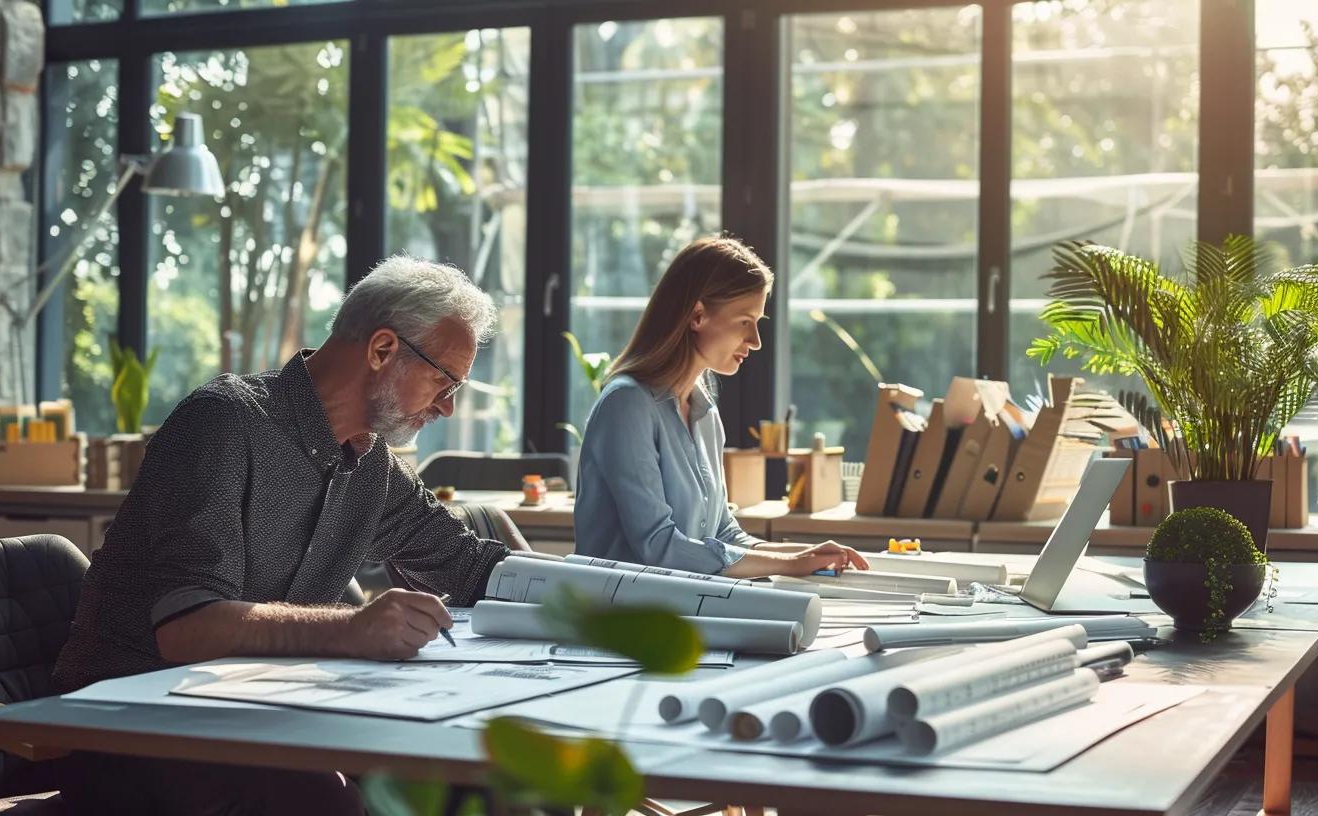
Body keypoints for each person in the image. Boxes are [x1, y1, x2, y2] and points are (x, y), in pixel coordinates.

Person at [52, 256, 521, 815]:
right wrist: (355, 628)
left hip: (265, 715)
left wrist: (620, 592)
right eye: (444, 380)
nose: (447, 406)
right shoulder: (221, 423)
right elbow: (186, 629)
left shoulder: (371, 466)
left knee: (487, 780)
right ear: (381, 350)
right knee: (324, 802)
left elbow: (469, 564)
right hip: (133, 730)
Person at [574, 236, 868, 578]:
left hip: (685, 611)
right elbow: (659, 547)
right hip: (618, 620)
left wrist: (807, 554)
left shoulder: (705, 415)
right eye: (745, 321)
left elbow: (724, 535)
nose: (756, 341)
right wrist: (791, 564)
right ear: (698, 315)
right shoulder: (626, 405)